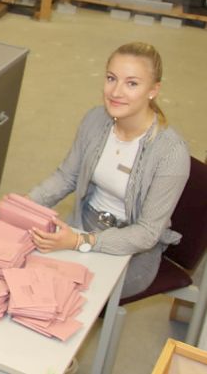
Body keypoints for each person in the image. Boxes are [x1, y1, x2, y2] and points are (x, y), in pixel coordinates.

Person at [28, 42, 189, 299]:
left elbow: (147, 233)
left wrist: (82, 242)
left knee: (65, 293)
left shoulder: (171, 153)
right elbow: (66, 176)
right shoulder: (96, 119)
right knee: (31, 275)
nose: (116, 92)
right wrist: (25, 205)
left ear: (153, 90)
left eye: (132, 83)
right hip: (82, 223)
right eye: (111, 78)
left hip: (133, 250)